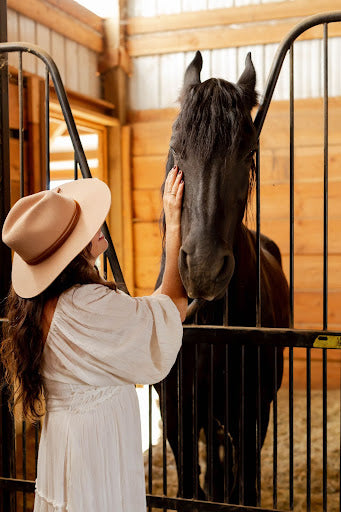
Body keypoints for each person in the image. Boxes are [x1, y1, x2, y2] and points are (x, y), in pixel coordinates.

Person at [1, 168, 187, 512]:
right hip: (97, 445)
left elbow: (149, 312)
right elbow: (171, 308)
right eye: (85, 227)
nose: (97, 225)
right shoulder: (88, 304)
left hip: (65, 440)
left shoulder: (44, 303)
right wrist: (174, 226)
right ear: (72, 252)